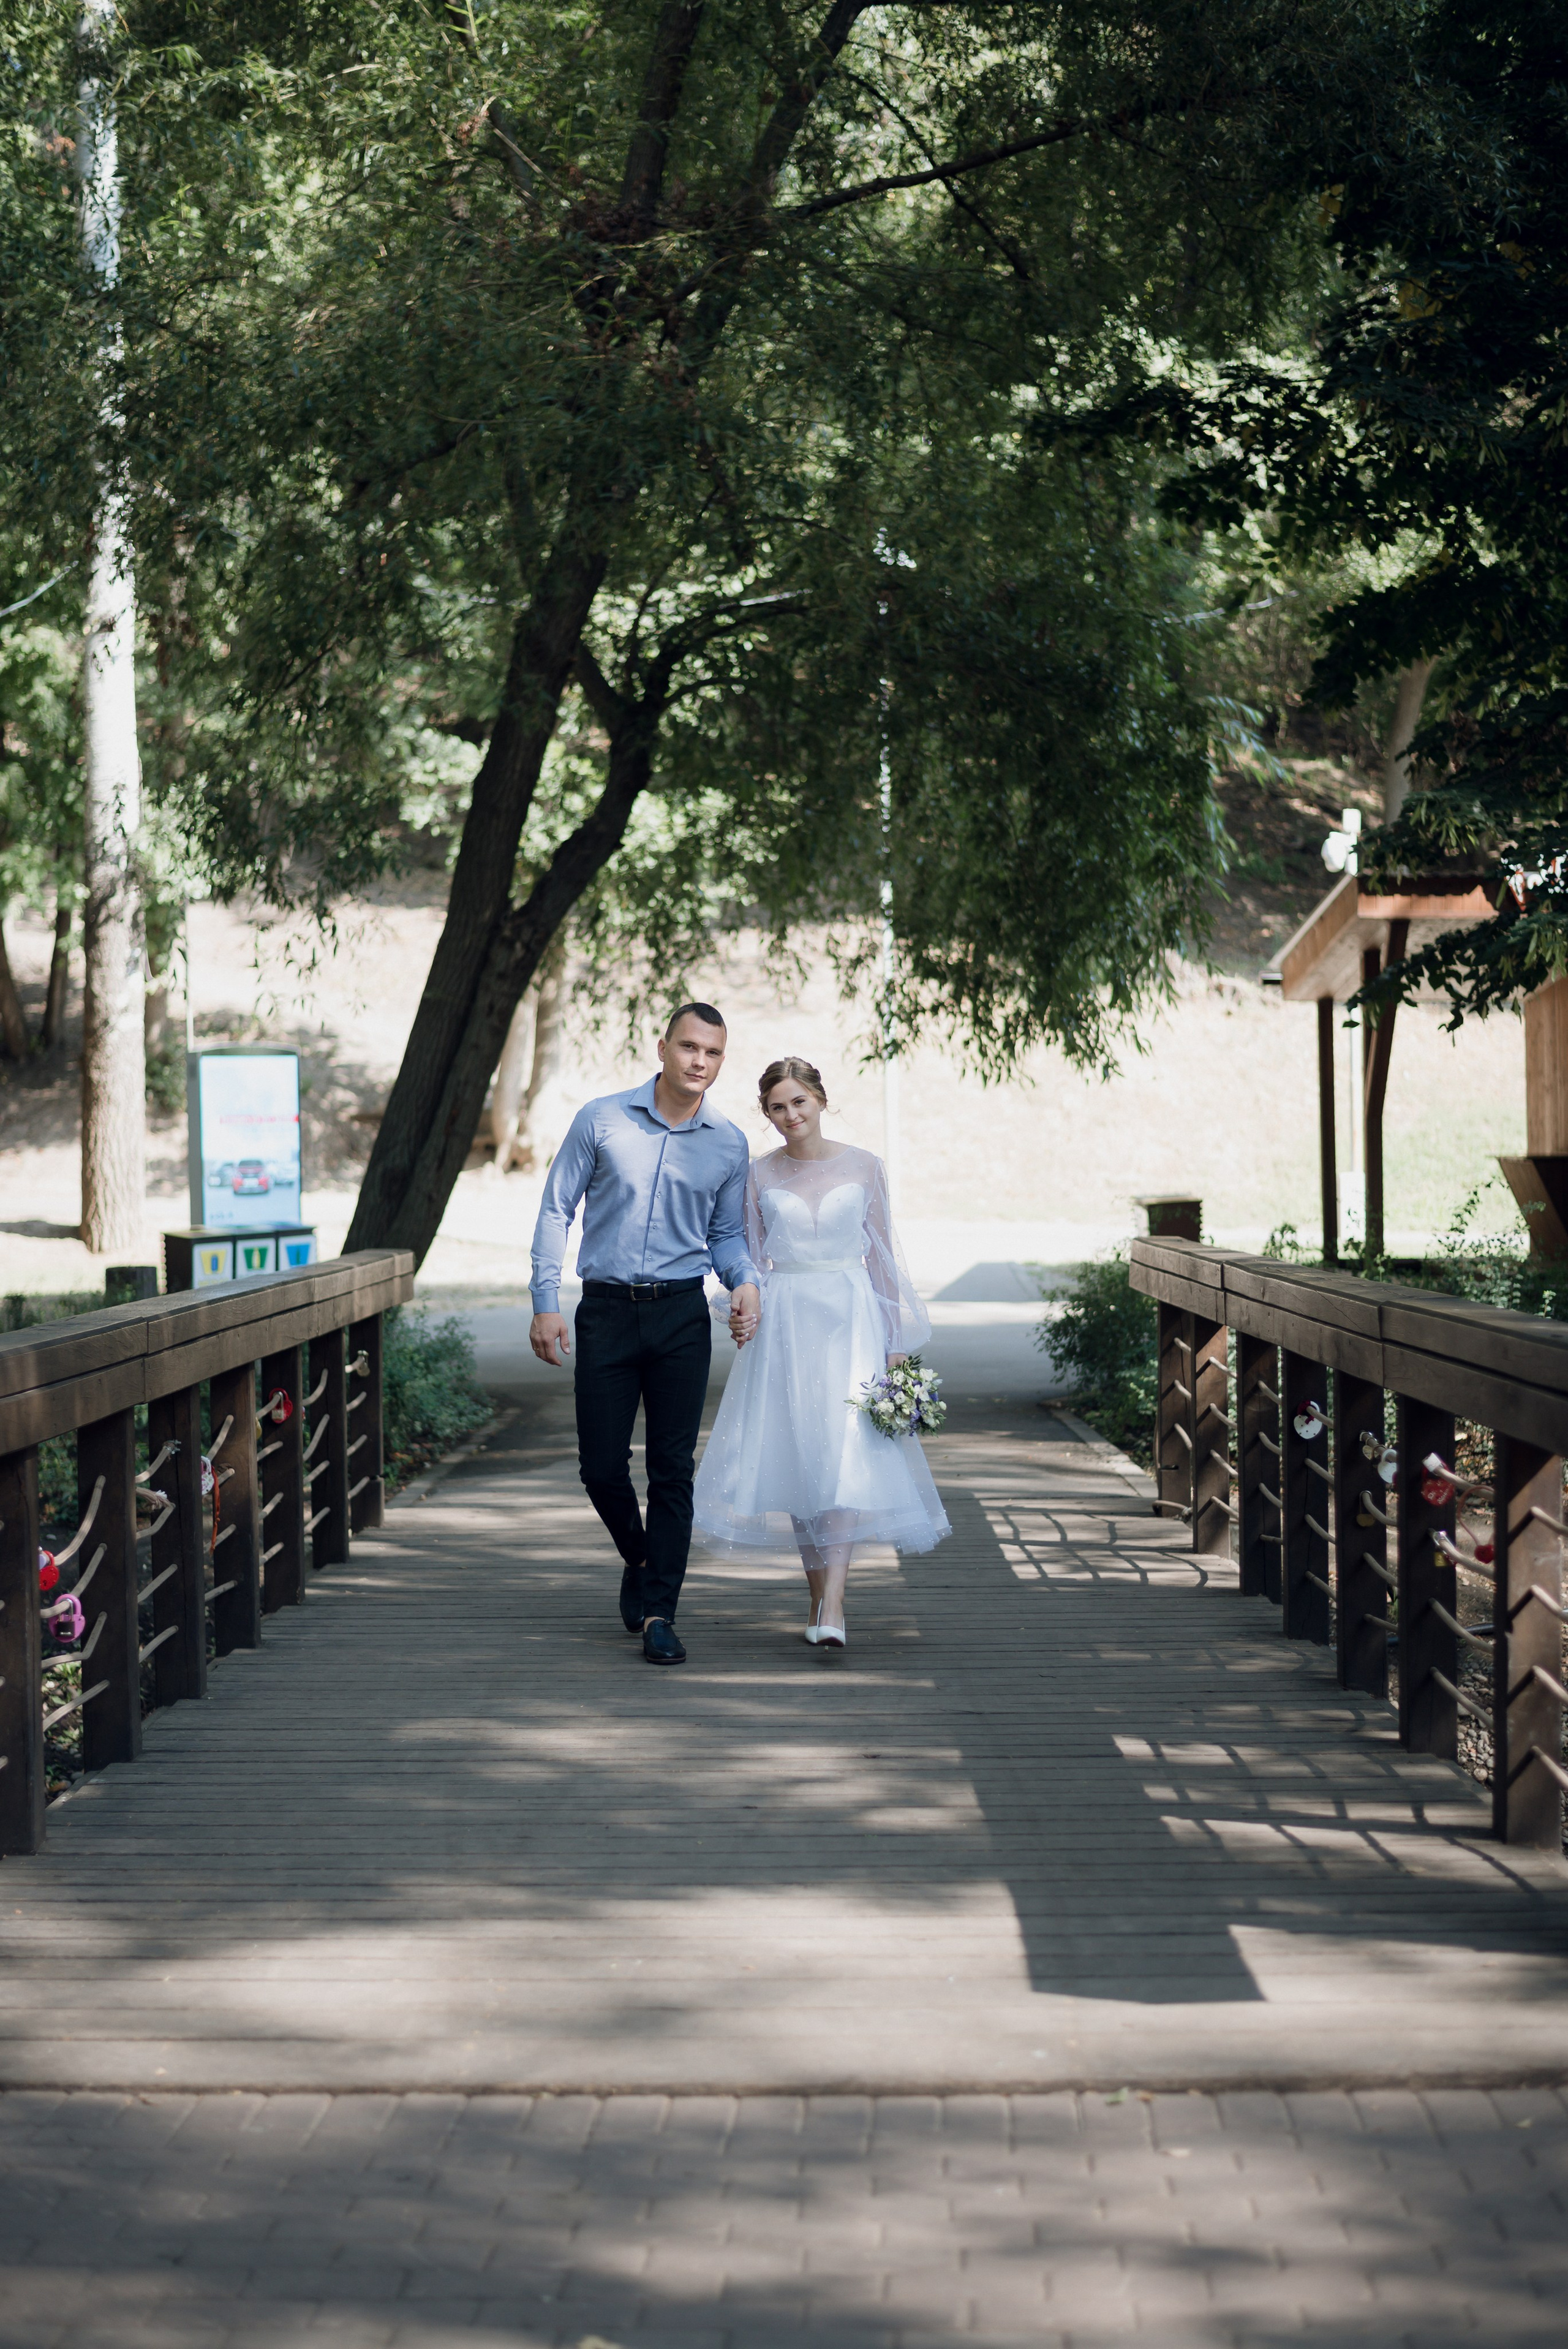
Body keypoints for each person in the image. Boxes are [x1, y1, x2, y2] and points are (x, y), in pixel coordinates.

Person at [529, 1003, 761, 1665]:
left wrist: (743, 1279)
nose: (699, 1063)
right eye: (689, 1047)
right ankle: (639, 1554)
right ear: (662, 1048)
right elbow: (556, 1210)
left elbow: (724, 1236)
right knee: (600, 1468)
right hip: (603, 1311)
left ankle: (661, 1611)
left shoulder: (728, 1142)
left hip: (681, 1316)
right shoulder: (599, 1120)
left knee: (671, 1471)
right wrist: (545, 1301)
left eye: (713, 1054)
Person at [692, 1056, 949, 1651]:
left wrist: (893, 1344)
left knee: (843, 1457)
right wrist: (742, 1308)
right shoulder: (757, 1175)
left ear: (819, 1099)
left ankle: (833, 1598)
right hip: (785, 1323)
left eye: (798, 1103)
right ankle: (820, 1599)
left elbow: (883, 1258)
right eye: (777, 1108)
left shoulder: (865, 1166)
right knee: (802, 1460)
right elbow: (749, 1259)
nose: (790, 1116)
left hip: (851, 1317)